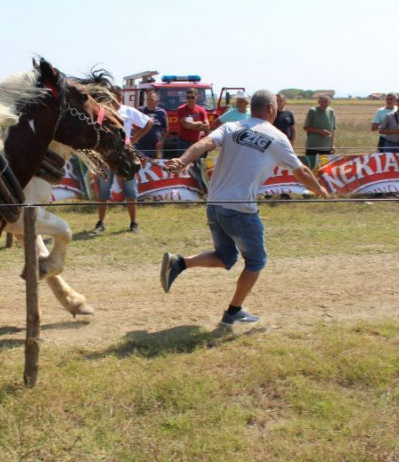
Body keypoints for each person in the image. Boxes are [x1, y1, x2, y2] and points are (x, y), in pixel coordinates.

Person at [159, 90, 329, 326]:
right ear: (271, 109)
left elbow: (203, 143)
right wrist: (320, 189)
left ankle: (179, 262)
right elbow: (301, 172)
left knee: (225, 257)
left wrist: (181, 161)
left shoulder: (232, 127)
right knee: (256, 261)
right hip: (240, 209)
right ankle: (233, 312)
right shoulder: (277, 137)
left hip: (215, 205)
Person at [91, 86, 152, 234]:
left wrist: (133, 139)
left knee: (130, 190)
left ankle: (133, 222)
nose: (109, 98)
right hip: (106, 156)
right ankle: (101, 223)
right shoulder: (102, 113)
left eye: (112, 96)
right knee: (103, 191)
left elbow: (149, 122)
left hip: (125, 156)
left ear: (119, 97)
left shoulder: (128, 111)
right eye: (107, 95)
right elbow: (96, 129)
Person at [135, 88, 168, 159]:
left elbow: (166, 130)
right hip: (142, 147)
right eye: (148, 99)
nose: (149, 101)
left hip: (157, 148)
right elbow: (135, 127)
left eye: (152, 99)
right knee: (141, 166)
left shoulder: (161, 112)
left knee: (158, 166)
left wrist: (161, 142)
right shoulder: (141, 111)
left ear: (156, 101)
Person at [175, 89, 210, 154]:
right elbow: (186, 126)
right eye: (188, 97)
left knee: (198, 162)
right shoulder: (180, 109)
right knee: (182, 163)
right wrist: (200, 123)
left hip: (197, 141)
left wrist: (193, 126)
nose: (190, 99)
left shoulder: (201, 110)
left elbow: (207, 126)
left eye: (192, 97)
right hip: (183, 143)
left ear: (196, 97)